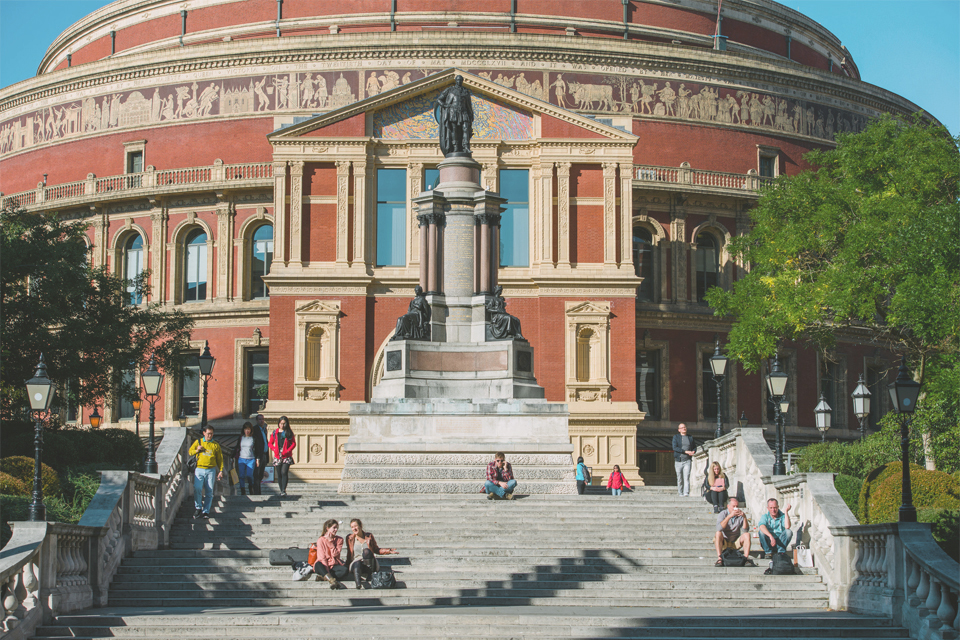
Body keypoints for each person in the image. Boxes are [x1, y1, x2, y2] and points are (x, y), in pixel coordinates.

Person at [344, 518, 398, 589]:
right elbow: (349, 553)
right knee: (357, 563)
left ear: (360, 526)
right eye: (352, 527)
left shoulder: (369, 536)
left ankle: (370, 574)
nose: (354, 528)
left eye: (356, 526)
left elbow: (376, 549)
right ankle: (358, 583)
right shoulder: (349, 538)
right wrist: (346, 564)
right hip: (356, 563)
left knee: (366, 551)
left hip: (369, 562)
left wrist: (388, 551)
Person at [189, 426, 223, 519]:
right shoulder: (198, 442)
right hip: (199, 469)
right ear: (204, 433)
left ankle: (206, 511)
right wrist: (197, 450)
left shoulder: (215, 445)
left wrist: (220, 470)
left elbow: (220, 459)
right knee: (197, 488)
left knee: (209, 491)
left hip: (211, 470)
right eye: (208, 433)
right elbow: (190, 452)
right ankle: (198, 507)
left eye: (211, 433)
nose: (210, 435)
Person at [714, 497, 755, 566]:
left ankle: (746, 558)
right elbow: (719, 528)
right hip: (725, 541)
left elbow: (745, 530)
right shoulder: (723, 514)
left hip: (736, 541)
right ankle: (719, 558)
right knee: (718, 533)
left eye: (737, 506)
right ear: (728, 506)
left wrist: (744, 517)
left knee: (747, 534)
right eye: (733, 506)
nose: (735, 508)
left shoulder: (740, 515)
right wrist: (729, 516)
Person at [313, 519, 348, 589]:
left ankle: (325, 577)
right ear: (327, 528)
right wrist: (327, 570)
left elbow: (336, 555)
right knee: (318, 564)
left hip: (333, 565)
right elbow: (322, 557)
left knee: (345, 570)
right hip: (323, 565)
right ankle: (332, 580)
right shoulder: (321, 540)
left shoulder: (339, 540)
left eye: (336, 528)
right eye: (334, 528)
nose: (336, 530)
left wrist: (330, 542)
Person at [268, 416, 296, 497]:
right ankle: (281, 490)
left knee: (284, 472)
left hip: (286, 455)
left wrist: (288, 450)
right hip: (277, 455)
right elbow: (270, 443)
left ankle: (284, 489)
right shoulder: (275, 433)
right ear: (279, 424)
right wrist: (273, 449)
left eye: (284, 424)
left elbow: (293, 443)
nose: (282, 425)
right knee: (279, 473)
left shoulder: (288, 432)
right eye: (281, 424)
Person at [233, 422, 262, 496]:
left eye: (248, 429)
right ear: (243, 430)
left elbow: (257, 449)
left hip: (251, 459)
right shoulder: (241, 438)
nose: (247, 431)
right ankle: (242, 490)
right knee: (241, 475)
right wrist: (232, 456)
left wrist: (257, 459)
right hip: (241, 459)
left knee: (249, 475)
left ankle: (250, 486)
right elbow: (237, 447)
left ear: (251, 430)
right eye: (245, 429)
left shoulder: (253, 438)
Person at [671, 423, 696, 497]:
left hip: (687, 461)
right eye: (682, 428)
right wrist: (685, 452)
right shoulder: (676, 437)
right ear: (679, 430)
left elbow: (694, 446)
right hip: (678, 461)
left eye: (684, 427)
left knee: (686, 477)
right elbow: (675, 448)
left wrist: (693, 451)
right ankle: (680, 492)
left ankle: (686, 493)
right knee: (679, 478)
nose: (684, 429)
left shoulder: (690, 437)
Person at [252, 413, 270, 494]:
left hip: (264, 454)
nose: (262, 421)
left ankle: (258, 490)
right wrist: (257, 457)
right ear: (256, 420)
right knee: (256, 474)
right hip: (258, 456)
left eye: (262, 419)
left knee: (260, 475)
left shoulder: (264, 429)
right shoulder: (255, 429)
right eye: (260, 419)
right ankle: (256, 492)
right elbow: (256, 444)